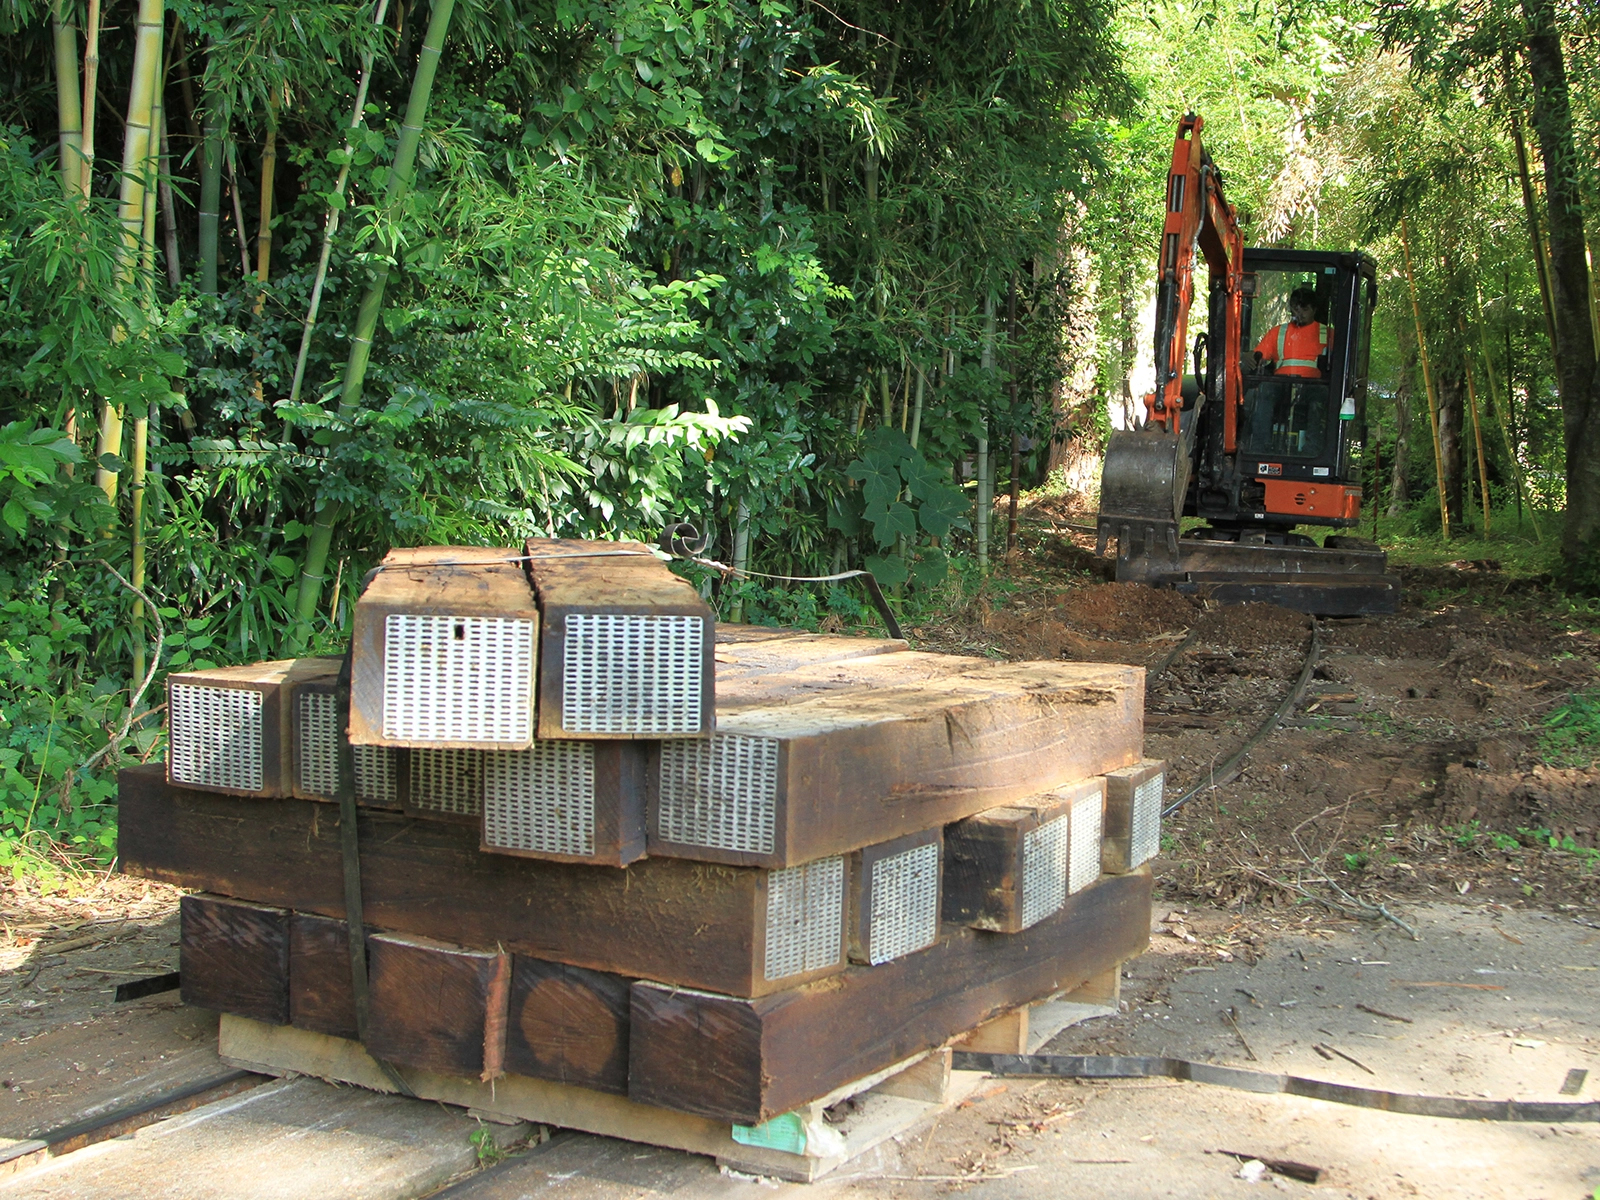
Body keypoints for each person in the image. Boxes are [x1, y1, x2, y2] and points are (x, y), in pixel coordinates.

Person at [1253, 286, 1329, 378]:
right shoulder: (1277, 332)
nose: (1300, 314)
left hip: (1314, 386)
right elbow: (1258, 357)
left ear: (1314, 310)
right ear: (1291, 309)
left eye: (1305, 310)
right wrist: (1249, 358)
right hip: (1280, 384)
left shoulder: (1329, 334)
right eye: (1296, 309)